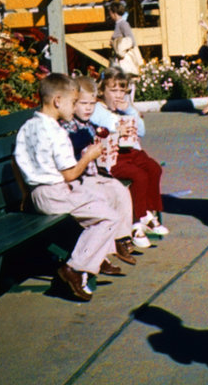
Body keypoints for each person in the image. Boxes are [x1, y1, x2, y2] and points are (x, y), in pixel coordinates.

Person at [14, 74, 133, 301]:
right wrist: (89, 156)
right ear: (58, 101)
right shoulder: (56, 132)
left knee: (99, 201)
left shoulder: (28, 126)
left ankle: (95, 260)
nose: (74, 107)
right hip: (54, 193)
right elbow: (70, 174)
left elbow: (15, 161)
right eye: (73, 102)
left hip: (38, 194)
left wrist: (24, 194)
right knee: (109, 217)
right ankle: (75, 269)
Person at [60, 75, 138, 269]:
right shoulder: (69, 125)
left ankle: (121, 238)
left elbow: (100, 135)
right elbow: (74, 142)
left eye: (92, 104)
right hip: (78, 179)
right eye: (83, 103)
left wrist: (113, 135)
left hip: (93, 176)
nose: (88, 108)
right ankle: (100, 255)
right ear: (72, 103)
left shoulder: (88, 124)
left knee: (119, 189)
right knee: (102, 198)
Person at [91, 68, 169, 249]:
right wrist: (118, 123)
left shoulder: (125, 109)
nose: (118, 95)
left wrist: (130, 111)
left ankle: (147, 212)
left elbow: (141, 130)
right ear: (102, 91)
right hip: (113, 156)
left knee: (154, 168)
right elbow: (106, 124)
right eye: (113, 90)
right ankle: (137, 220)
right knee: (139, 176)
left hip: (132, 153)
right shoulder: (98, 109)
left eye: (121, 91)